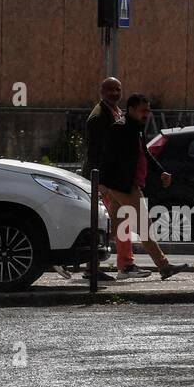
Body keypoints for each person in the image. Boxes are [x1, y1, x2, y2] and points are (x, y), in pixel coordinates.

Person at [102, 93, 189, 281]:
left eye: (148, 110)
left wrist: (161, 172)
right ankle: (164, 266)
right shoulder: (120, 128)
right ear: (131, 109)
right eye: (143, 110)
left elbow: (145, 154)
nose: (147, 114)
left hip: (126, 185)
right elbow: (107, 157)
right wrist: (103, 183)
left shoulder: (136, 128)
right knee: (145, 227)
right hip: (123, 186)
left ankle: (91, 261)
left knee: (114, 228)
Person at [83, 77, 124, 281]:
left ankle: (94, 265)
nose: (115, 93)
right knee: (100, 222)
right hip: (101, 178)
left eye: (118, 89)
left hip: (108, 177)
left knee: (106, 222)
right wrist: (99, 181)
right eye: (110, 90)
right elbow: (95, 152)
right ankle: (92, 268)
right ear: (102, 92)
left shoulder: (114, 112)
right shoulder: (99, 117)